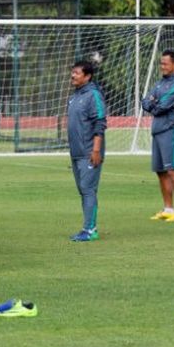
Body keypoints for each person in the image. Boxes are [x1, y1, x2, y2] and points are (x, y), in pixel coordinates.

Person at [143, 50, 174, 222]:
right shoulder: (160, 83)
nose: (162, 66)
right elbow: (145, 101)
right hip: (158, 130)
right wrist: (152, 103)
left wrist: (153, 104)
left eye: (165, 63)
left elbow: (163, 105)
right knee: (160, 172)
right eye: (161, 63)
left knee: (172, 170)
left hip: (171, 130)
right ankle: (168, 208)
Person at [67, 61, 107, 241]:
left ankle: (90, 229)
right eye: (72, 72)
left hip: (90, 152)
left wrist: (96, 150)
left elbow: (100, 123)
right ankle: (88, 226)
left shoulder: (94, 95)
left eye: (76, 73)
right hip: (76, 152)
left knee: (88, 189)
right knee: (83, 190)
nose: (73, 75)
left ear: (87, 76)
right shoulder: (75, 96)